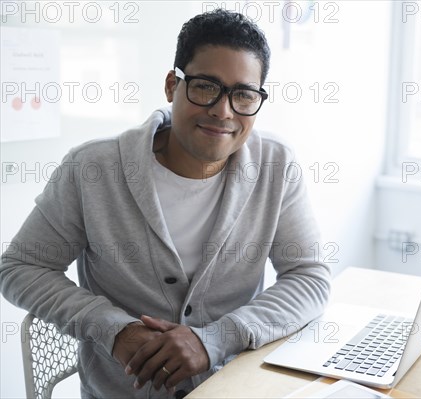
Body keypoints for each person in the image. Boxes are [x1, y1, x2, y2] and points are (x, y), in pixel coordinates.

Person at [0, 9, 331, 399]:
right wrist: (113, 328)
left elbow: (309, 277)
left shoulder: (276, 166)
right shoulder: (92, 168)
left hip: (235, 389)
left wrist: (215, 340)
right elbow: (21, 267)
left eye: (243, 94)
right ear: (173, 85)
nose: (223, 111)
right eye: (206, 86)